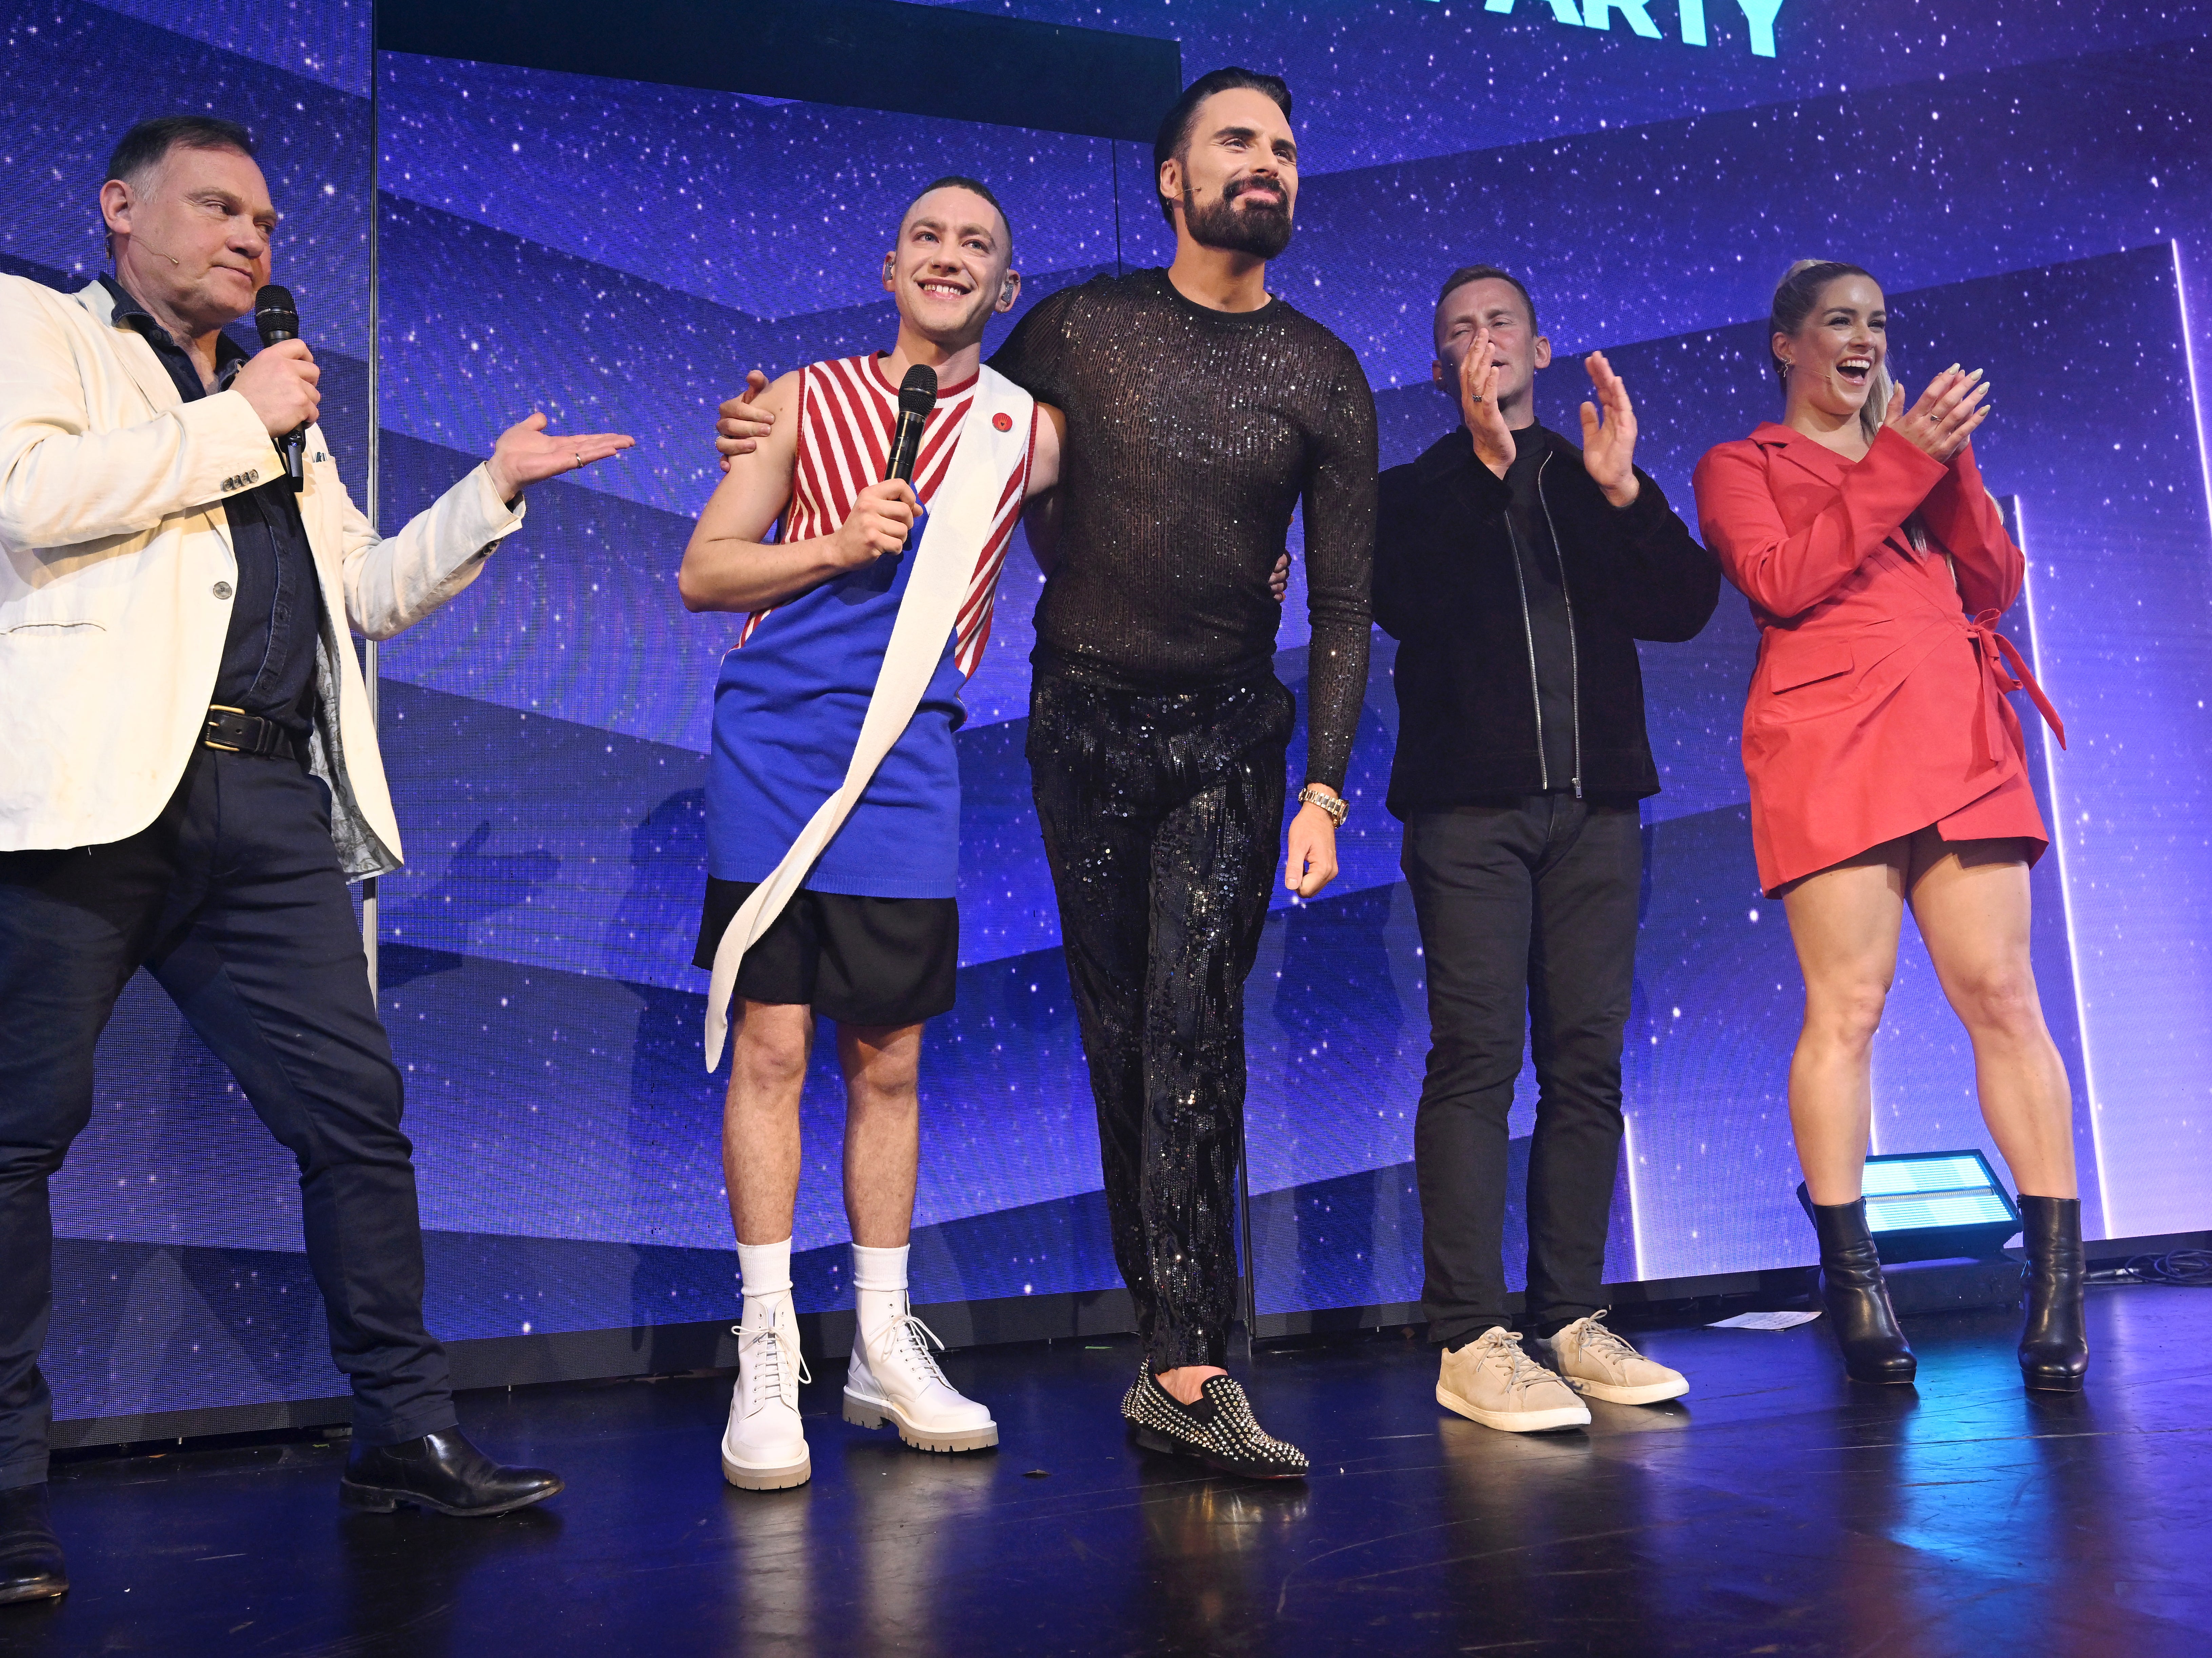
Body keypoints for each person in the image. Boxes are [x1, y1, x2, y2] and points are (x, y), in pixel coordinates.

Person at [0, 115, 633, 1604]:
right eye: (217, 207)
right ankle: (8, 1491)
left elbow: (362, 588)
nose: (250, 239)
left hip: (267, 803)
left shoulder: (276, 405)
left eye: (269, 223)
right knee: (19, 1133)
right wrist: (244, 421)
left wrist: (490, 491)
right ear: (118, 209)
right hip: (93, 798)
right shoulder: (36, 331)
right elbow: (34, 500)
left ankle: (404, 1433)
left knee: (357, 1119)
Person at [720, 69, 1374, 1479]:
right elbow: (959, 424)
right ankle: (1163, 1356)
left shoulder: (1323, 370)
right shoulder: (1080, 324)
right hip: (1078, 726)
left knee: (1198, 1029)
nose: (1265, 164)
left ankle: (1197, 1361)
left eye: (1283, 147)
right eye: (1235, 144)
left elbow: (1347, 589)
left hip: (1230, 740)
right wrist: (771, 427)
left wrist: (1325, 785)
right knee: (1123, 1038)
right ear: (1170, 177)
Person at [680, 178, 1063, 1490]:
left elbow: (1130, 527)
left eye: (977, 246)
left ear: (1004, 289)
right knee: (773, 1043)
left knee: (887, 1058)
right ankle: (768, 1346)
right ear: (889, 262)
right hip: (777, 747)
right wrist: (835, 545)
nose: (948, 257)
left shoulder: (1030, 432)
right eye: (928, 237)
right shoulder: (797, 396)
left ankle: (879, 1339)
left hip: (908, 760)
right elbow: (704, 569)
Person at [1691, 260, 2081, 1392]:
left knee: (2004, 998)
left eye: (1875, 321)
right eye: (1836, 322)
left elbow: (1990, 582)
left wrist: (1943, 461)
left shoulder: (1919, 452)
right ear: (1786, 346)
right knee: (1848, 1007)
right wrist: (1899, 458)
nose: (1861, 339)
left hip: (1957, 743)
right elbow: (1779, 578)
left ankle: (2054, 1286)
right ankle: (1853, 1285)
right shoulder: (1740, 465)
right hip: (1828, 750)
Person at [1375, 267, 1719, 1433]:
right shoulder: (1410, 493)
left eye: (1502, 325)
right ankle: (1470, 1333)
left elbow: (1683, 605)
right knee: (1477, 1055)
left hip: (1598, 810)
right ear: (1439, 369)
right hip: (1469, 815)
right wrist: (1483, 466)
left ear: (1540, 346)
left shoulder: (1590, 477)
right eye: (1460, 333)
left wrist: (1624, 494)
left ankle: (1571, 1313)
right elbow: (1403, 600)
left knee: (1588, 1065)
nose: (1484, 343)